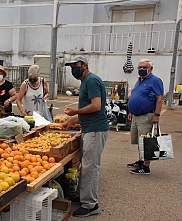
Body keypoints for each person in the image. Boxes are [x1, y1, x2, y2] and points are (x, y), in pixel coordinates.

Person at [61, 55, 109, 217]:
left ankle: (90, 205)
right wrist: (71, 120)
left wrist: (75, 112)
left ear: (84, 65)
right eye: (71, 66)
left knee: (90, 166)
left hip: (95, 130)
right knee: (85, 164)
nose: (73, 69)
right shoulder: (85, 82)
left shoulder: (91, 81)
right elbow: (87, 111)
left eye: (76, 65)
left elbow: (96, 106)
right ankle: (83, 196)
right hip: (89, 128)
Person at [127, 59, 164, 175]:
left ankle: (145, 167)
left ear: (150, 69)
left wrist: (157, 115)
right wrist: (131, 111)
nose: (142, 69)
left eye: (144, 67)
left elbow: (159, 99)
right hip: (136, 116)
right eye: (140, 67)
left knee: (146, 141)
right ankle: (141, 160)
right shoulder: (139, 81)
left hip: (146, 115)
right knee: (139, 141)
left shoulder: (155, 81)